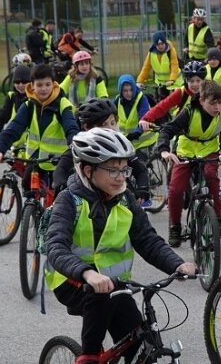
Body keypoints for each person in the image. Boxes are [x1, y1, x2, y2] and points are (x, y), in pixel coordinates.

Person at [44, 128, 196, 364]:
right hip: (73, 279)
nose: (120, 177)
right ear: (88, 170)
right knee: (99, 296)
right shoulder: (69, 200)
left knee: (140, 346)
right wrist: (87, 273)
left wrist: (176, 264)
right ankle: (89, 356)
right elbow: (55, 246)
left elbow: (147, 239)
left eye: (124, 169)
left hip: (115, 283)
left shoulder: (125, 199)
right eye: (112, 170)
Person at [157, 80, 221, 246]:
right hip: (185, 152)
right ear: (201, 101)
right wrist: (164, 150)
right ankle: (175, 226)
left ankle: (218, 218)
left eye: (220, 102)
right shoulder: (188, 112)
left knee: (211, 176)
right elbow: (167, 130)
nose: (217, 107)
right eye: (212, 103)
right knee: (176, 189)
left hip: (209, 152)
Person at [52, 99, 151, 206]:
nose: (110, 128)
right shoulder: (80, 147)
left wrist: (142, 188)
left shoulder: (121, 146)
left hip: (120, 200)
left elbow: (140, 170)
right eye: (104, 124)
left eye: (113, 123)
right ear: (86, 127)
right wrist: (61, 186)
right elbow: (60, 170)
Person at [0, 64, 79, 181]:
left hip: (58, 162)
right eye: (39, 85)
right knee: (28, 189)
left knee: (60, 193)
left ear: (53, 84)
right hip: (34, 161)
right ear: (32, 86)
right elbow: (13, 129)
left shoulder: (62, 104)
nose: (44, 89)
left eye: (48, 84)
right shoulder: (28, 106)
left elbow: (71, 126)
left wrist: (73, 143)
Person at [139, 61, 208, 129]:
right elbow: (162, 106)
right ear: (186, 81)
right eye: (191, 81)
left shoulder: (210, 92)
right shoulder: (182, 92)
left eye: (198, 81)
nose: (195, 84)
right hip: (184, 133)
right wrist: (146, 119)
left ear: (204, 80)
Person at [0, 64, 30, 151]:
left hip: (32, 148)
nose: (20, 85)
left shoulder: (36, 97)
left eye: (24, 82)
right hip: (16, 148)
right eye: (17, 82)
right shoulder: (11, 97)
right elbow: (1, 118)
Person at [115, 75, 156, 154]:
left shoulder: (142, 99)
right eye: (125, 91)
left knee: (140, 163)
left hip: (145, 140)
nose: (129, 93)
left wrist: (137, 132)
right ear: (120, 91)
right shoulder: (118, 100)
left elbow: (144, 118)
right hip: (129, 141)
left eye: (131, 90)